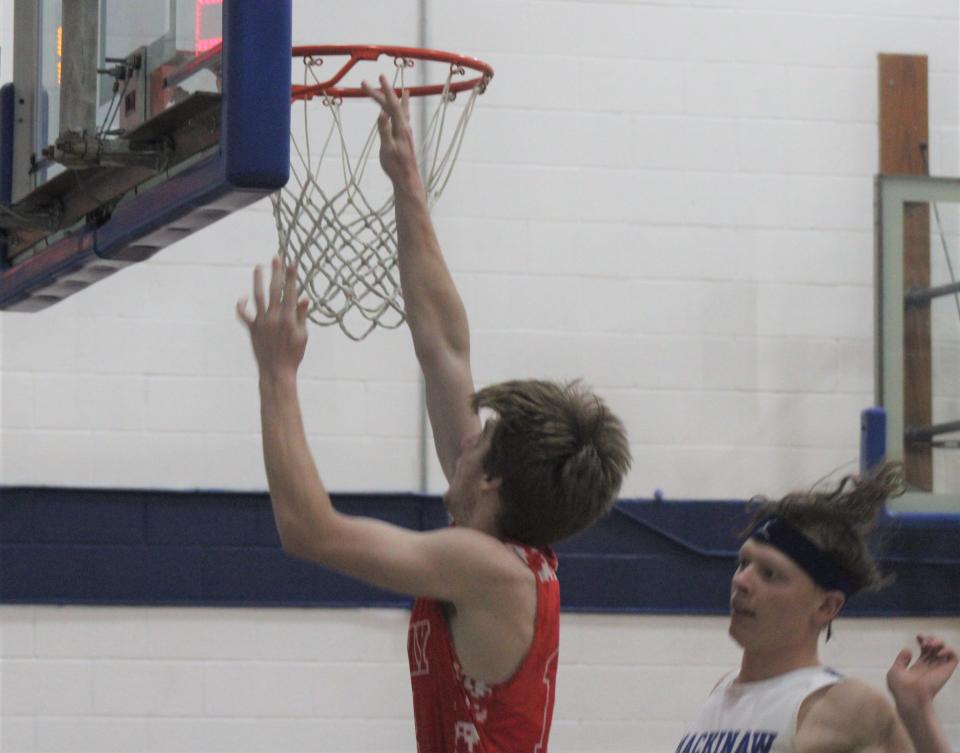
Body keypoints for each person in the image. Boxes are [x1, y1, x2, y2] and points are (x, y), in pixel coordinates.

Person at [237, 75, 632, 753]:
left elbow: (309, 530)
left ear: (492, 481)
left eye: (483, 441)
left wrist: (277, 375)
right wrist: (407, 185)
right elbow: (445, 347)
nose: (468, 438)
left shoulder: (487, 566)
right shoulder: (500, 539)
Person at [675, 463, 958, 753]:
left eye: (770, 574)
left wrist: (916, 710)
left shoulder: (844, 703)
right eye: (744, 563)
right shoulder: (722, 693)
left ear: (826, 606)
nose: (742, 581)